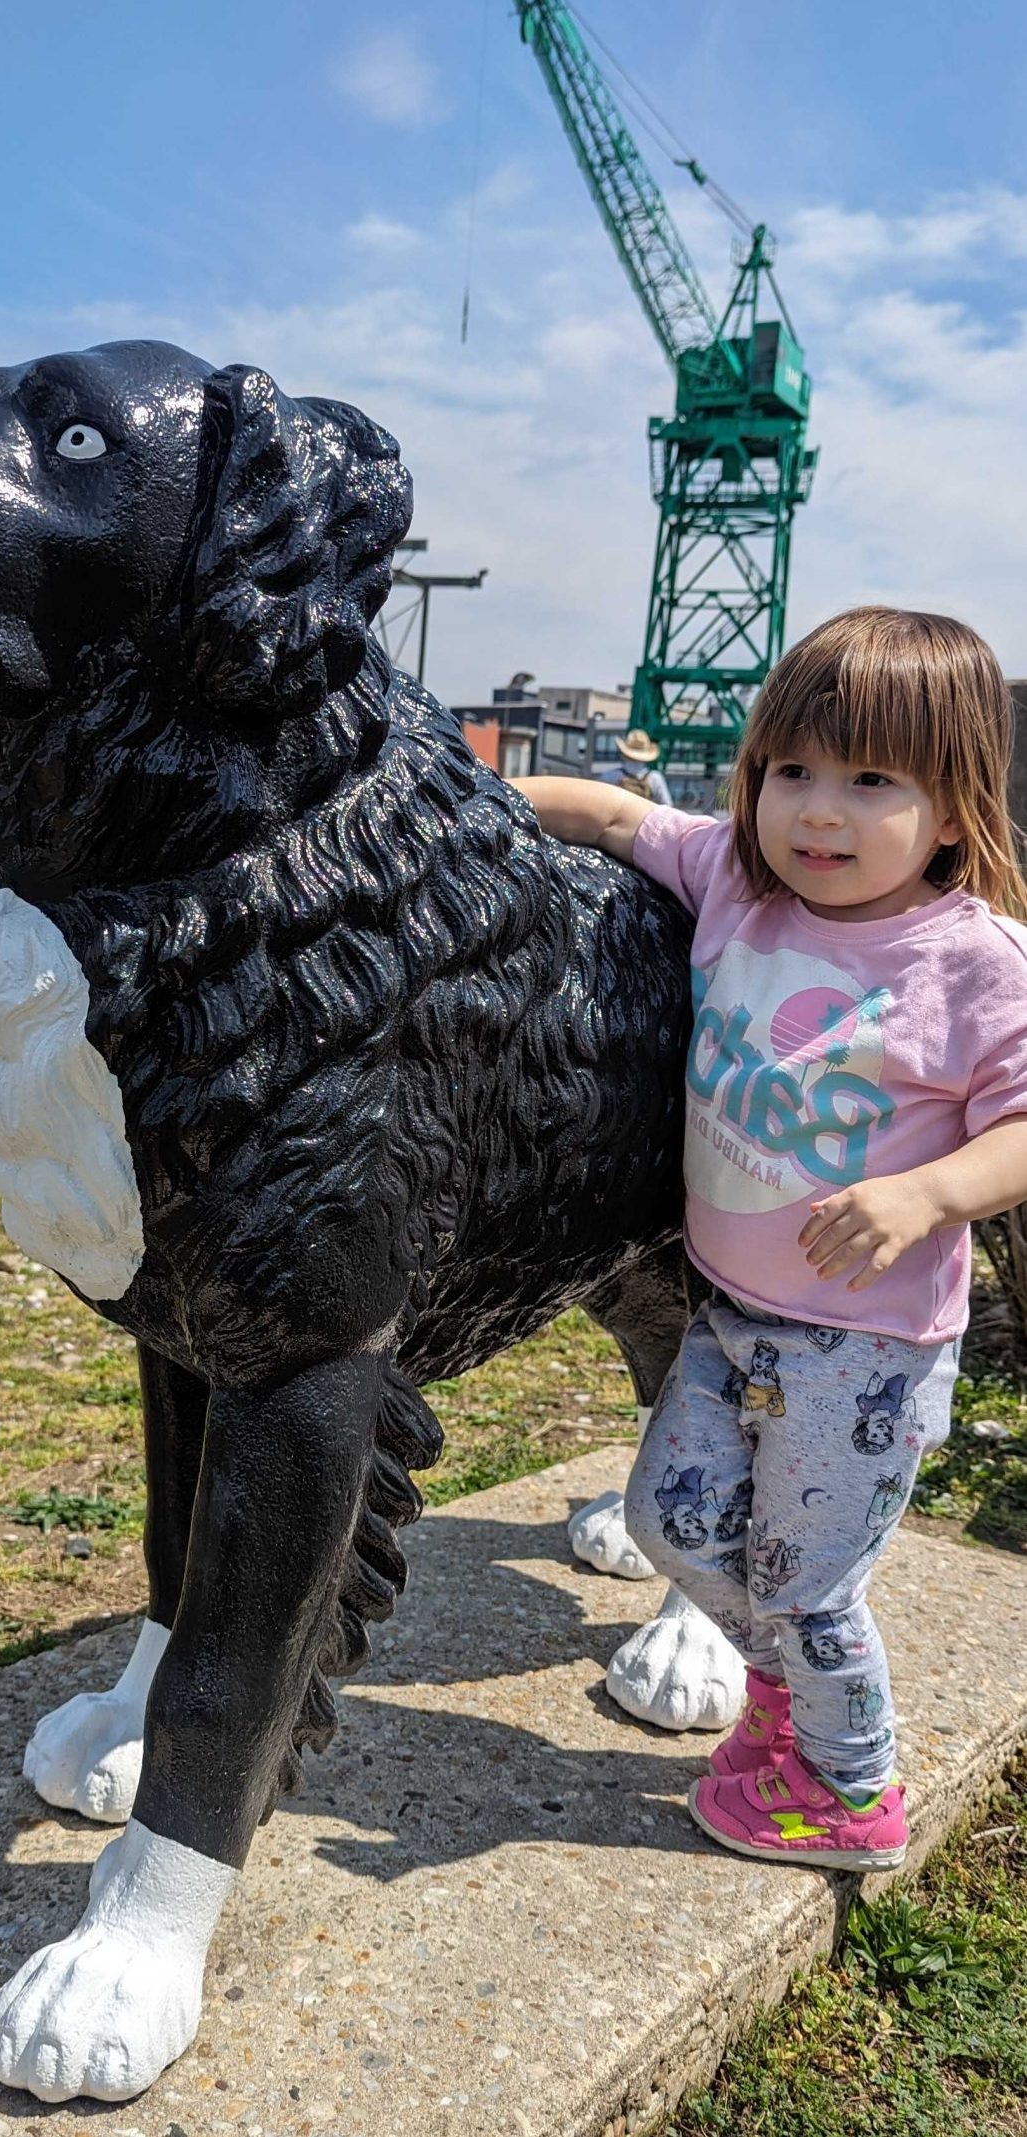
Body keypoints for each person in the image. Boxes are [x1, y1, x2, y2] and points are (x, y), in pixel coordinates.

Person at [512, 607, 1027, 1870]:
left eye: (869, 781)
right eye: (790, 770)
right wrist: (455, 794)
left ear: (956, 808)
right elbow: (617, 817)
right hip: (729, 1312)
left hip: (868, 1348)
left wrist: (930, 1195)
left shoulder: (974, 961)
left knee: (806, 1584)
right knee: (672, 1521)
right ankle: (792, 1697)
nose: (818, 811)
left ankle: (852, 1791)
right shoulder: (737, 886)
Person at [602, 726, 672, 805]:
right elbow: (667, 805)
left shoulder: (611, 776)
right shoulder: (654, 777)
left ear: (624, 754)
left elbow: (601, 802)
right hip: (643, 816)